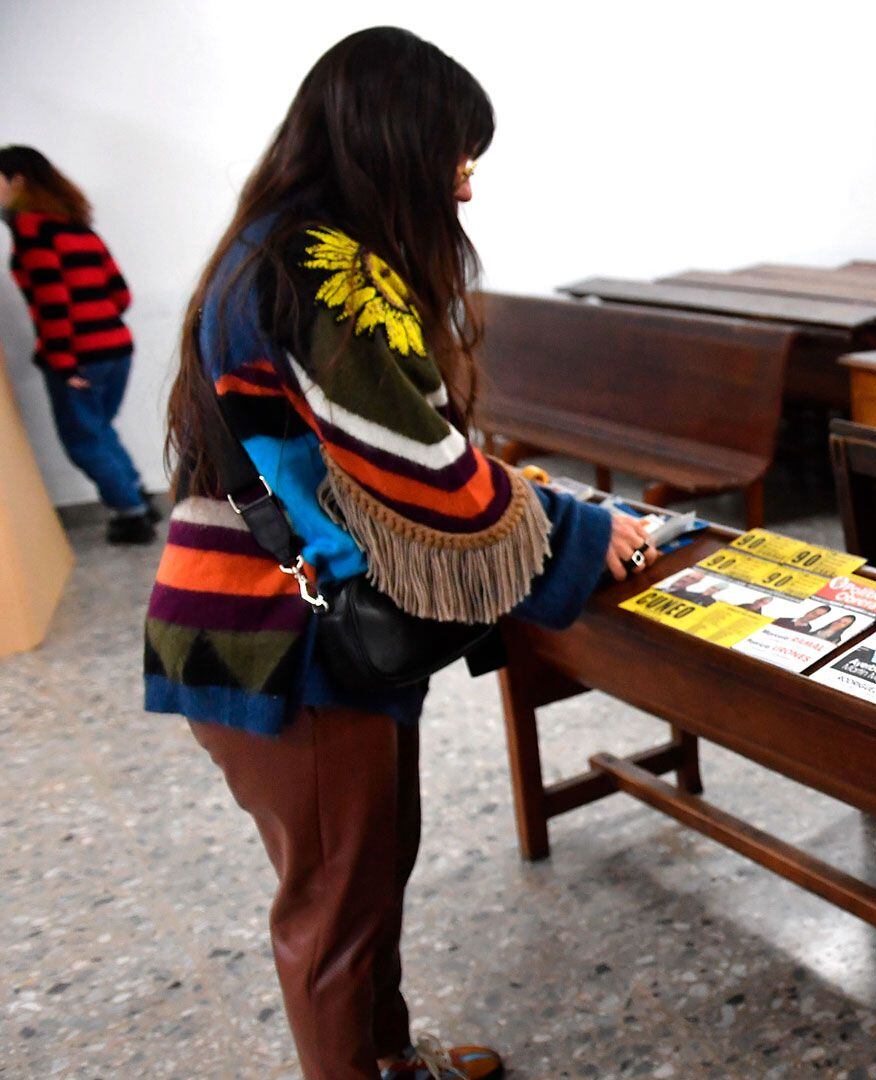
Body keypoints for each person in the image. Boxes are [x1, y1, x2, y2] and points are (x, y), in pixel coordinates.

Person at [142, 28, 654, 1080]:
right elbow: (427, 480)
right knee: (333, 917)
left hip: (284, 621)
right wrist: (587, 528)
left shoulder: (284, 242)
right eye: (457, 155)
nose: (465, 187)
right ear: (397, 146)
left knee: (369, 879)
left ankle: (392, 1062)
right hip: (285, 642)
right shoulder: (319, 268)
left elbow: (379, 454)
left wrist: (520, 490)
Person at [0, 145, 154, 543]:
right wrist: (98, 321)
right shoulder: (77, 227)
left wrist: (65, 364)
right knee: (99, 429)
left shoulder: (33, 232)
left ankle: (131, 514)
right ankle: (138, 494)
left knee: (84, 439)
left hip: (79, 356)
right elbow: (121, 295)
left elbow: (53, 304)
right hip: (116, 349)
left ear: (17, 180)